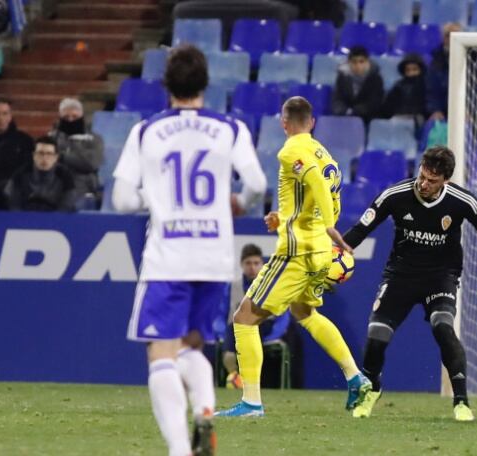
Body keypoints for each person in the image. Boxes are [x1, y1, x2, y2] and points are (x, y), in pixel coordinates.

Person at [112, 45, 267, 456]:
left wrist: (155, 198)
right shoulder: (230, 128)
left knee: (161, 351)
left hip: (169, 255)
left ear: (167, 85)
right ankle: (203, 407)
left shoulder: (145, 131)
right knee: (192, 345)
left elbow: (123, 199)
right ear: (205, 84)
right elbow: (255, 184)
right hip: (215, 257)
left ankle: (180, 449)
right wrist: (238, 203)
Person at [218, 96, 371, 417]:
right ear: (312, 122)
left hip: (297, 253)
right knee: (305, 313)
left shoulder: (291, 150)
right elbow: (316, 193)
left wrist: (330, 226)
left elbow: (314, 180)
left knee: (243, 319)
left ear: (284, 123)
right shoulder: (323, 151)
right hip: (319, 253)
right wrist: (284, 218)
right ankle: (355, 377)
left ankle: (251, 402)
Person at [341, 146, 477, 420]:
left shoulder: (461, 200)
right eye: (423, 176)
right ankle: (372, 389)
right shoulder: (395, 195)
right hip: (401, 274)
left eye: (432, 181)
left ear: (446, 181)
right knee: (376, 334)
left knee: (443, 326)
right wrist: (339, 250)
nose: (424, 184)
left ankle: (461, 402)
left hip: (441, 275)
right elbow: (362, 227)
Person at [221, 243, 292, 389]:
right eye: (248, 263)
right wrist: (219, 333)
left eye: (256, 263)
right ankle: (235, 375)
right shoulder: (233, 287)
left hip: (265, 327)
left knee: (247, 329)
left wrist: (272, 336)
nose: (252, 267)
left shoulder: (272, 286)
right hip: (235, 329)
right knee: (233, 331)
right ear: (241, 265)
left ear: (262, 264)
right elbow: (220, 313)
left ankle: (240, 377)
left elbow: (283, 318)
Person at [3, 136, 78, 212]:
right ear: (34, 155)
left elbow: (67, 204)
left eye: (49, 154)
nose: (44, 158)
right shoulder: (21, 173)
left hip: (55, 221)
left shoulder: (64, 175)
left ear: (56, 157)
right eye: (40, 153)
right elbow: (14, 204)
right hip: (25, 219)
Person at [49, 98, 104, 201]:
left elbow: (91, 163)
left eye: (75, 116)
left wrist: (62, 156)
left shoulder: (94, 139)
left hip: (85, 190)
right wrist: (79, 158)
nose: (70, 120)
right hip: (56, 189)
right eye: (66, 117)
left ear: (81, 116)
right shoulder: (52, 138)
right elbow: (48, 162)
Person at [331, 46, 384, 122]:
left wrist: (353, 112)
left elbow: (374, 103)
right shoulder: (342, 77)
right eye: (354, 62)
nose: (358, 66)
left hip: (368, 120)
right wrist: (343, 111)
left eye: (361, 61)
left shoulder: (376, 78)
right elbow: (337, 99)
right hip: (344, 118)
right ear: (349, 62)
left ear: (367, 62)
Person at [425, 23, 461, 122]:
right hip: (442, 111)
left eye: (456, 35)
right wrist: (435, 110)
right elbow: (431, 90)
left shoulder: (476, 60)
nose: (452, 39)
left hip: (470, 113)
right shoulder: (434, 61)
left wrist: (470, 110)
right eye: (448, 35)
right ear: (442, 38)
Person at [381, 53, 427, 123]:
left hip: (416, 117)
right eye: (408, 70)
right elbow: (388, 105)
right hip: (397, 117)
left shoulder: (425, 85)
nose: (411, 73)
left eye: (414, 69)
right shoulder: (398, 85)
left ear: (421, 70)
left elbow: (425, 106)